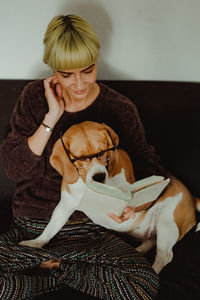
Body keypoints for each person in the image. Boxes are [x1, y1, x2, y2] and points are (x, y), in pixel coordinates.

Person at [0, 14, 167, 300]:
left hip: (90, 231)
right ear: (53, 70)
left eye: (87, 70)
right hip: (32, 225)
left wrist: (138, 205)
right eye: (66, 74)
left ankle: (56, 269)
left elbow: (151, 166)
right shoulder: (34, 98)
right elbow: (14, 169)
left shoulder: (119, 108)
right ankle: (64, 270)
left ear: (97, 61)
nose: (79, 83)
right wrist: (51, 118)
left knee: (144, 285)